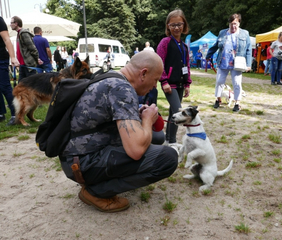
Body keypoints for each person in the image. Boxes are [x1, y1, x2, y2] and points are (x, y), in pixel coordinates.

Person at [60, 50, 178, 212]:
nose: (154, 86)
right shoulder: (122, 89)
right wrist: (147, 119)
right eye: (155, 80)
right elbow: (136, 150)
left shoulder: (110, 77)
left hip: (75, 158)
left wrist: (139, 115)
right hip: (83, 165)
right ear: (143, 73)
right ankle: (95, 192)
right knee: (168, 158)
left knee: (156, 137)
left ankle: (101, 181)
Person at [157, 9, 191, 150]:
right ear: (168, 26)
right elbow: (159, 62)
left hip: (181, 83)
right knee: (178, 110)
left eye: (179, 24)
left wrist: (188, 83)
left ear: (184, 25)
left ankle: (169, 140)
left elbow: (187, 65)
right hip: (169, 84)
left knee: (173, 112)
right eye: (173, 25)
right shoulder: (165, 42)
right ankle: (171, 141)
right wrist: (163, 81)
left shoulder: (184, 46)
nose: (176, 27)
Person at [206, 13, 252, 112]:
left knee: (237, 83)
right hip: (223, 62)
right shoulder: (222, 33)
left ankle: (237, 103)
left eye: (235, 23)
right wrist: (208, 55)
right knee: (219, 81)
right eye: (231, 23)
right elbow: (216, 45)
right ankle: (218, 99)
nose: (233, 26)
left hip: (238, 63)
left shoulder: (245, 33)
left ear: (239, 23)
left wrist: (248, 64)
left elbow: (248, 49)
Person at [10, 16, 39, 80]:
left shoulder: (23, 33)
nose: (10, 25)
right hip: (22, 65)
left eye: (11, 23)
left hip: (28, 66)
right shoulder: (19, 34)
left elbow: (32, 48)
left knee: (31, 87)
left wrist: (36, 60)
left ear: (16, 23)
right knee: (21, 87)